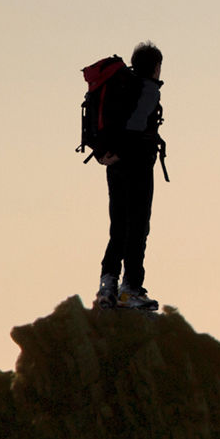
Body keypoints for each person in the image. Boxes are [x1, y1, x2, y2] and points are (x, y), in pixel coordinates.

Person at [94, 41, 164, 310]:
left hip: (114, 166)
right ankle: (131, 288)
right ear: (156, 66)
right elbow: (134, 127)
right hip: (136, 166)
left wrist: (106, 153)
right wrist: (124, 152)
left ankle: (107, 284)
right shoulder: (147, 89)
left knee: (118, 226)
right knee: (137, 228)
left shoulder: (120, 87)